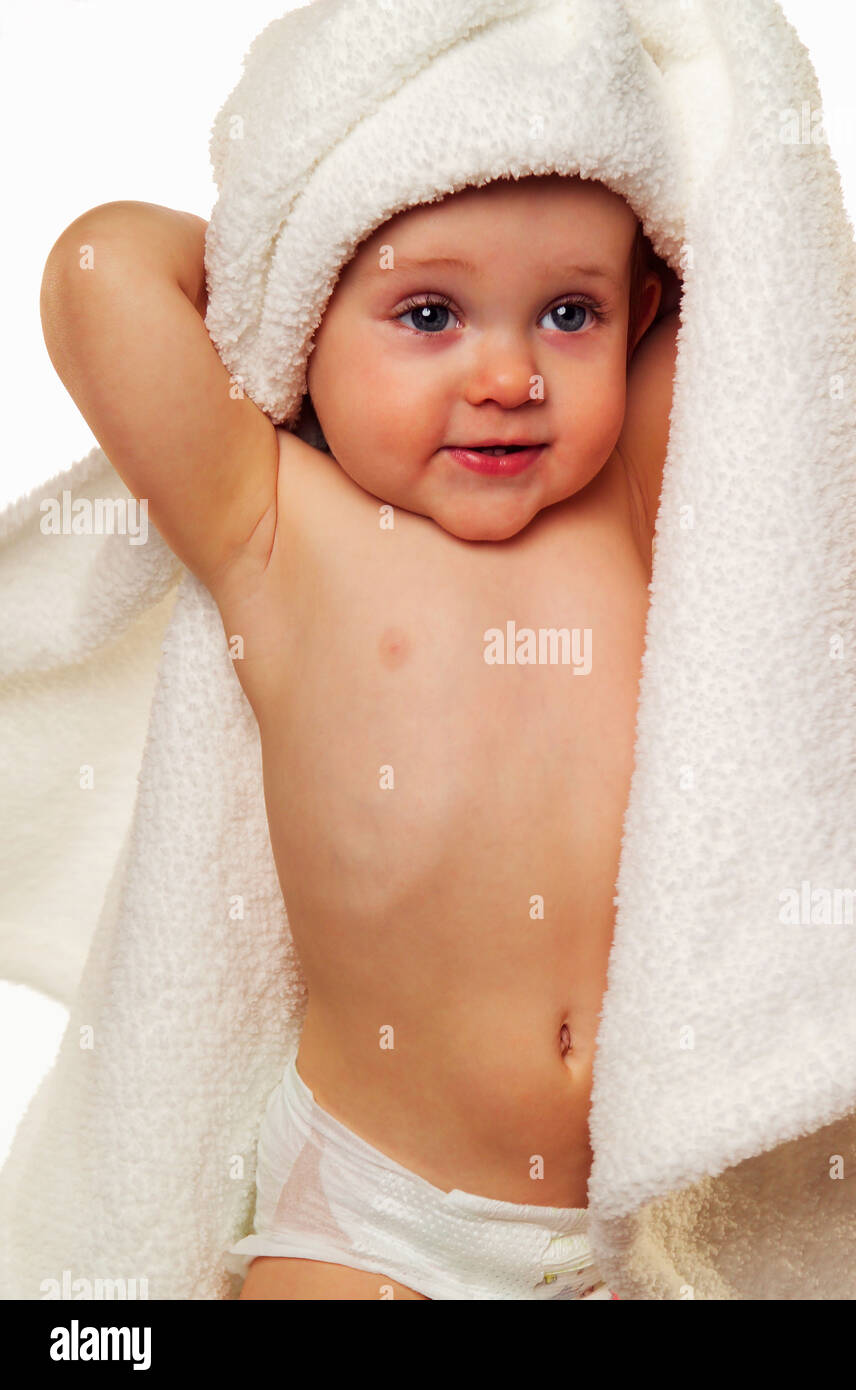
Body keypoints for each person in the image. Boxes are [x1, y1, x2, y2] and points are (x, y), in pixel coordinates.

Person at [38, 171, 680, 1300]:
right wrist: (296, 242)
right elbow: (101, 268)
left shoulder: (627, 492)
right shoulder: (272, 522)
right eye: (428, 313)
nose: (508, 377)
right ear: (303, 323)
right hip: (379, 1219)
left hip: (629, 1227)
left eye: (567, 315)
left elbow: (753, 264)